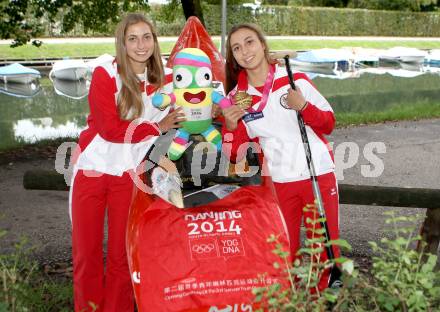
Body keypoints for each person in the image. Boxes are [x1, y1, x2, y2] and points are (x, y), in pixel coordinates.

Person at [69, 13, 184, 311]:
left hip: (129, 176)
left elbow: (206, 89)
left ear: (155, 41)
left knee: (122, 257)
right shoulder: (106, 73)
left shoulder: (167, 79)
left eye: (147, 37)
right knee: (87, 255)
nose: (140, 44)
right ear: (122, 42)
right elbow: (109, 129)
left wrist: (267, 61)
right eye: (132, 38)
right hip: (93, 170)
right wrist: (157, 128)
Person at [221, 23, 340, 291]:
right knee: (281, 250)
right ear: (234, 57)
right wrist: (230, 127)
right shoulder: (235, 98)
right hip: (278, 182)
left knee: (325, 248)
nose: (245, 51)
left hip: (316, 174)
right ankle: (288, 302)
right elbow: (235, 154)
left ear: (263, 45)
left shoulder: (294, 78)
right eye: (236, 48)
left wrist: (305, 107)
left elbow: (328, 123)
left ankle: (323, 302)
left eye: (249, 42)